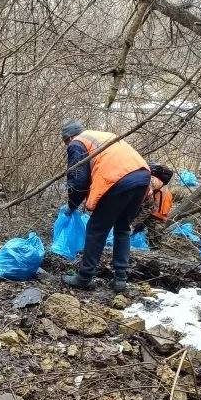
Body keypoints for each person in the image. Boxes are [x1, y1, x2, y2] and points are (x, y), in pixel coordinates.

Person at [59, 121, 151, 293]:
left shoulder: (77, 143)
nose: (67, 146)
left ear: (69, 137)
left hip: (118, 179)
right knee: (122, 228)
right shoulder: (101, 136)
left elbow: (78, 179)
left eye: (66, 142)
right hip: (143, 177)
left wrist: (72, 205)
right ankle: (120, 280)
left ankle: (84, 277)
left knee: (96, 229)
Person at [133, 162, 174, 245]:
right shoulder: (152, 181)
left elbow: (147, 209)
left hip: (158, 213)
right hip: (154, 210)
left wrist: (133, 224)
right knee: (137, 230)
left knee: (154, 238)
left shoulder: (151, 184)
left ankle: (155, 253)